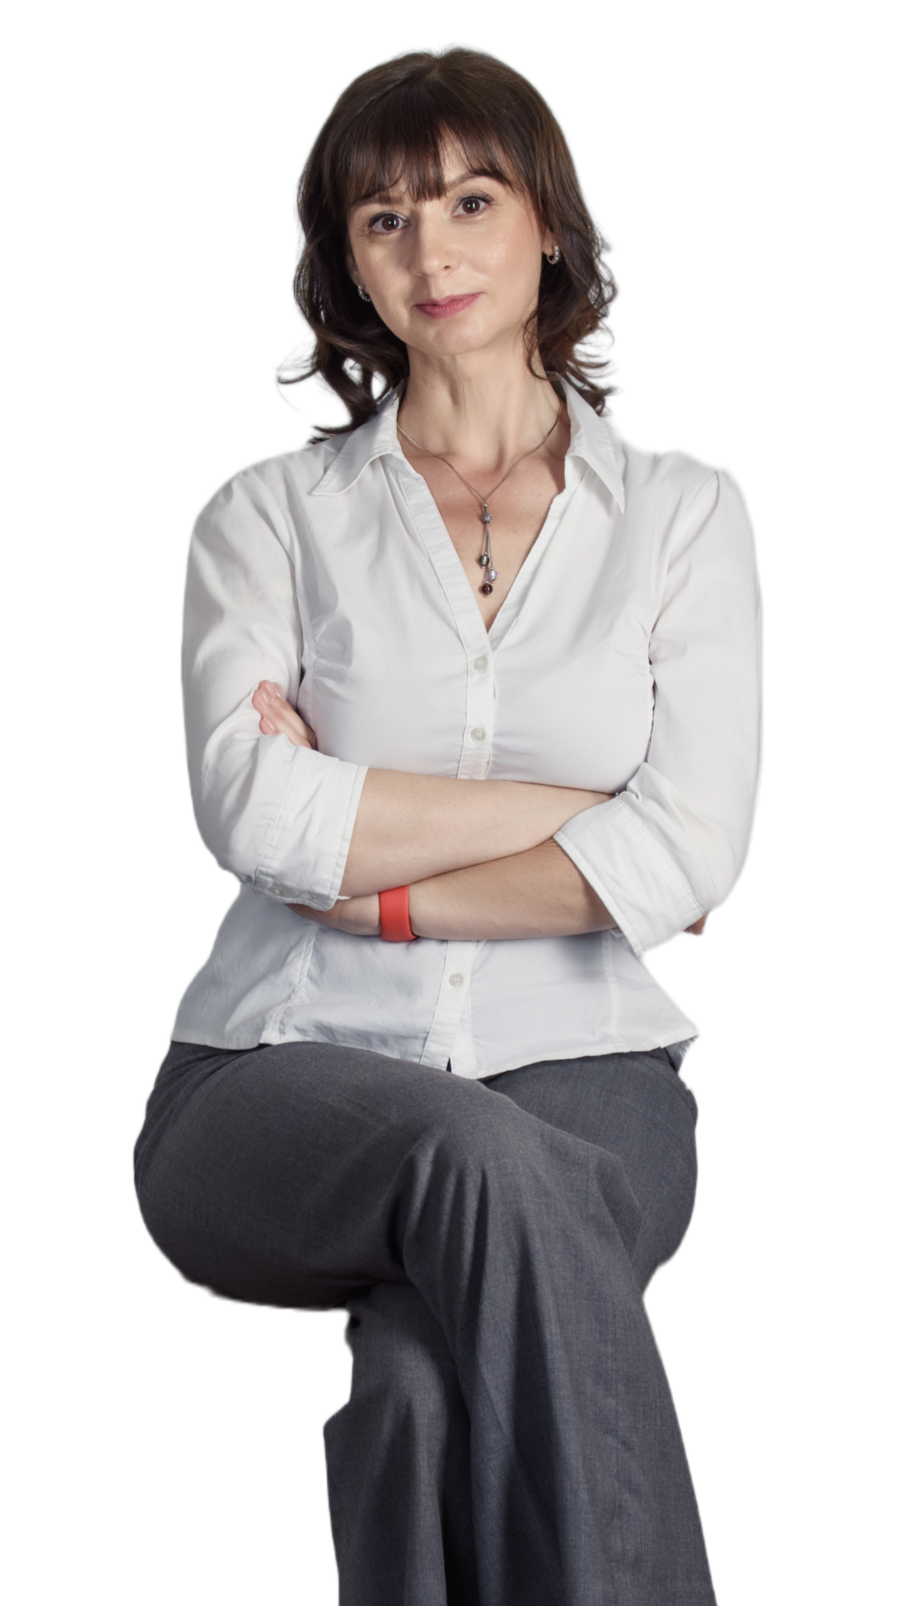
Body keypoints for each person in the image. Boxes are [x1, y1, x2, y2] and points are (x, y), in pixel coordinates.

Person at [131, 41, 762, 1606]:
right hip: (275, 1072)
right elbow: (253, 813)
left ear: (547, 223)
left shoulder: (683, 513)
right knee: (479, 1157)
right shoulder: (264, 517)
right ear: (345, 266)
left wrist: (388, 879)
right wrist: (584, 824)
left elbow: (695, 852)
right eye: (383, 219)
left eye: (469, 200)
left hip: (591, 1065)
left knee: (423, 1387)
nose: (430, 249)